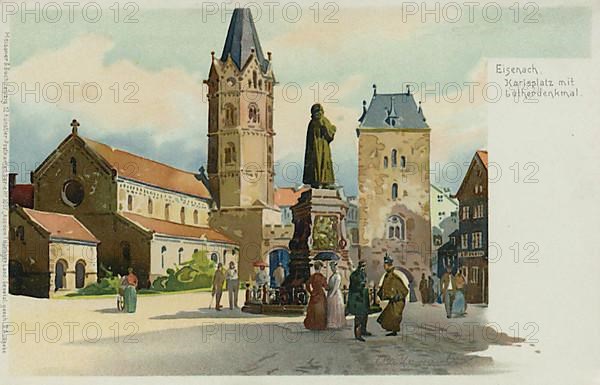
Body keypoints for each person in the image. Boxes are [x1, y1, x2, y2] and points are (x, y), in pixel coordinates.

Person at [302, 103, 336, 189]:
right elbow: (329, 136)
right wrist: (332, 129)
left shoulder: (313, 122)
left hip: (317, 149)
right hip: (321, 148)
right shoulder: (323, 121)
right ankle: (322, 182)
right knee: (321, 164)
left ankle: (319, 182)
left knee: (320, 164)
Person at [376, 256, 409, 336]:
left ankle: (394, 331)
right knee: (387, 315)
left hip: (398, 302)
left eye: (385, 265)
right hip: (393, 301)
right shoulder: (388, 276)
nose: (384, 267)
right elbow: (384, 286)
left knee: (395, 315)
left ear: (389, 265)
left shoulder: (395, 277)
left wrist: (397, 296)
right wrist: (380, 294)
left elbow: (405, 290)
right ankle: (391, 328)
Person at [347, 260, 371, 341]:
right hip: (357, 297)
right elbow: (354, 286)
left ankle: (363, 330)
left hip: (363, 297)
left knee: (364, 314)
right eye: (362, 266)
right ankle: (358, 334)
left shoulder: (363, 273)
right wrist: (361, 285)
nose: (363, 268)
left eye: (364, 266)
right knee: (359, 316)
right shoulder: (354, 275)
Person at [303, 261, 328, 330]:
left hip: (314, 294)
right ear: (319, 268)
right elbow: (326, 287)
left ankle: (313, 324)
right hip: (320, 294)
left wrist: (310, 292)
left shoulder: (313, 277)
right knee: (321, 310)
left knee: (313, 309)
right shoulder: (321, 277)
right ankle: (320, 325)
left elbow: (307, 284)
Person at [326, 261, 346, 329]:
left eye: (332, 267)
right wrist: (328, 287)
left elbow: (336, 287)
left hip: (335, 294)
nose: (332, 269)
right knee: (331, 309)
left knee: (335, 308)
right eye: (331, 267)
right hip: (330, 292)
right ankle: (331, 322)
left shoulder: (337, 276)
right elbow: (330, 285)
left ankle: (336, 323)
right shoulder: (332, 276)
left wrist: (331, 295)